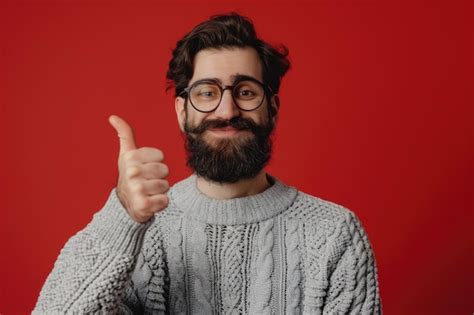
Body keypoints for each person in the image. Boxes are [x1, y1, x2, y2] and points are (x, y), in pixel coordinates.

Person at [33, 13, 382, 314]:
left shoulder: (333, 234)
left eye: (245, 91)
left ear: (272, 108)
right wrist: (121, 217)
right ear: (182, 111)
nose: (227, 111)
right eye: (207, 93)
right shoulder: (140, 234)